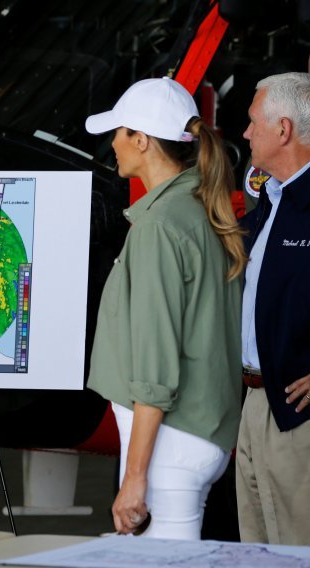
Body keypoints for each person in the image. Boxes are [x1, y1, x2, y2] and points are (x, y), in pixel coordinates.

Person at [85, 77, 246, 539]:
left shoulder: (160, 226)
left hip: (169, 448)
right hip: (197, 434)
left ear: (141, 139)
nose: (112, 142)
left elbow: (155, 363)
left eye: (118, 131)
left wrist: (136, 476)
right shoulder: (199, 209)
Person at [236, 72, 310, 545]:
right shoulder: (271, 200)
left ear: (282, 130)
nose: (245, 133)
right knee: (256, 551)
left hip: (298, 416)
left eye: (251, 122)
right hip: (254, 403)